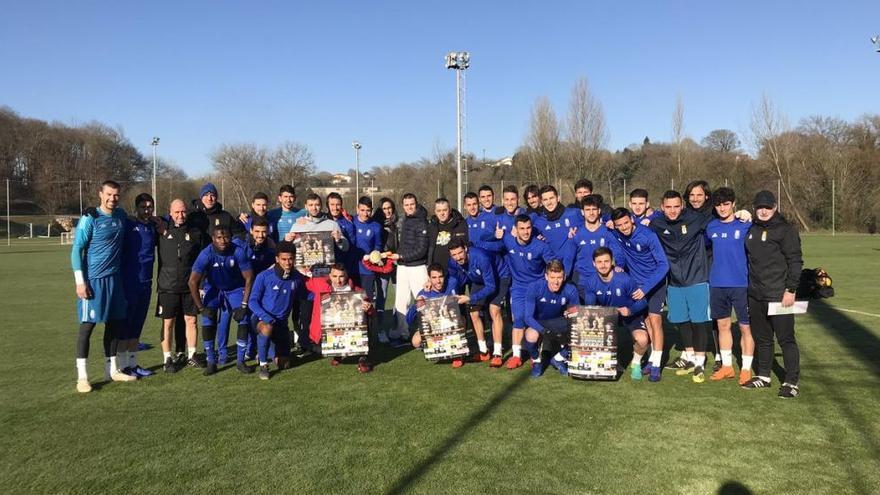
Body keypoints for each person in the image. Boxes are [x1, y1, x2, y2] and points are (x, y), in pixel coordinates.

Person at [71, 180, 136, 392]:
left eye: (116, 195)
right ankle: (82, 377)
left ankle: (112, 370)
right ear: (101, 194)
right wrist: (81, 282)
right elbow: (76, 250)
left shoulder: (120, 216)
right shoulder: (90, 217)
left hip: (114, 280)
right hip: (93, 281)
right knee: (87, 327)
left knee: (115, 324)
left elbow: (136, 223)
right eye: (108, 194)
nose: (112, 198)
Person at [648, 190, 716, 383]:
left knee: (698, 321)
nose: (672, 211)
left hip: (697, 278)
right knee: (681, 321)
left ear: (682, 206)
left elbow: (720, 218)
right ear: (662, 207)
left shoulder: (696, 219)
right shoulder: (656, 223)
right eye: (668, 207)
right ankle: (689, 355)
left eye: (676, 206)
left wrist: (741, 214)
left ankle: (700, 362)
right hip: (674, 281)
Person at [743, 191, 803, 398]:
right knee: (763, 338)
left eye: (767, 207)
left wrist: (791, 290)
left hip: (779, 295)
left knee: (786, 339)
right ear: (754, 208)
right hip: (756, 293)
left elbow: (795, 261)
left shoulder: (785, 230)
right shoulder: (751, 229)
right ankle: (764, 376)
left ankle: (791, 382)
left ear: (775, 207)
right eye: (760, 207)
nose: (764, 211)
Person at [490, 214, 558, 369]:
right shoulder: (507, 240)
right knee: (519, 318)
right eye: (522, 228)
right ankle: (515, 356)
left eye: (528, 228)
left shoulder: (541, 246)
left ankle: (536, 355)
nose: (526, 232)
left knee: (534, 319)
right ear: (515, 229)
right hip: (518, 287)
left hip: (537, 287)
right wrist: (495, 236)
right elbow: (488, 244)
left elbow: (554, 265)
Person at [610, 207, 668, 382]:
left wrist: (646, 287)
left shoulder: (648, 236)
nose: (624, 227)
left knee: (655, 320)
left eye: (626, 223)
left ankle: (656, 364)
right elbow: (602, 217)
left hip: (655, 284)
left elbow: (664, 265)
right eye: (619, 225)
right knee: (648, 322)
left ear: (632, 220)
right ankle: (651, 359)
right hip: (636, 286)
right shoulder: (616, 233)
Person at [189, 227, 255, 376]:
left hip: (235, 289)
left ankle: (240, 361)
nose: (223, 241)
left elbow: (249, 277)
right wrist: (200, 308)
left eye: (226, 237)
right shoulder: (206, 254)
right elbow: (192, 282)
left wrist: (244, 305)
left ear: (231, 237)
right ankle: (212, 362)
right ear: (213, 238)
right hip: (214, 288)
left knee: (243, 318)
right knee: (207, 319)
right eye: (219, 237)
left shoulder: (238, 251)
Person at [706, 187, 754, 384]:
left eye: (726, 204)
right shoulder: (711, 228)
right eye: (718, 204)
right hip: (717, 284)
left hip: (741, 285)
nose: (722, 208)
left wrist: (748, 215)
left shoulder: (745, 225)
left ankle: (746, 369)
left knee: (745, 328)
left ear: (734, 204)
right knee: (723, 325)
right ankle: (727, 367)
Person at [582, 247, 649, 380]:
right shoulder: (591, 282)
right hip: (608, 316)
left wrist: (630, 310)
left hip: (629, 315)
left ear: (612, 262)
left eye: (606, 261)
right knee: (592, 331)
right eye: (599, 262)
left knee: (642, 340)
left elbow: (643, 302)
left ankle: (635, 363)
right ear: (594, 263)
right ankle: (610, 361)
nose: (603, 265)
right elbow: (590, 307)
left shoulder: (624, 279)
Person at [156, 199, 205, 373]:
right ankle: (167, 358)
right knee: (168, 323)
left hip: (189, 286)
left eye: (183, 211)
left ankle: (192, 354)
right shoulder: (161, 230)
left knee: (191, 320)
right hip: (167, 286)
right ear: (170, 213)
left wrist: (201, 284)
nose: (180, 215)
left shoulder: (195, 233)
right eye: (176, 212)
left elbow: (201, 261)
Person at [304, 263, 375, 373]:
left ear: (346, 276)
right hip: (325, 331)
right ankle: (338, 353)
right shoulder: (320, 284)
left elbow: (373, 313)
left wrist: (369, 308)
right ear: (329, 276)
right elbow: (303, 280)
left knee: (367, 318)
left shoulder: (358, 291)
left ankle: (362, 357)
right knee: (317, 349)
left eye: (341, 276)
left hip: (350, 329)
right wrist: (306, 270)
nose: (338, 280)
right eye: (335, 276)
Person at [119, 192, 160, 377]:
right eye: (143, 207)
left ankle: (133, 364)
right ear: (136, 208)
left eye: (149, 207)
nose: (146, 210)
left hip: (146, 283)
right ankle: (121, 366)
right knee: (126, 325)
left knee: (137, 325)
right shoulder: (129, 224)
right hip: (129, 282)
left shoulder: (154, 225)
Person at [446, 238, 505, 365]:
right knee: (473, 313)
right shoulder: (452, 261)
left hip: (500, 277)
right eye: (454, 255)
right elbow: (453, 280)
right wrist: (449, 297)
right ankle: (483, 351)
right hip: (479, 280)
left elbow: (491, 286)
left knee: (494, 310)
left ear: (466, 249)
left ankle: (498, 353)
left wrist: (470, 298)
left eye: (460, 253)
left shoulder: (481, 258)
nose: (458, 257)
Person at [248, 241, 302, 380]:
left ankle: (267, 349)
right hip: (261, 319)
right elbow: (252, 301)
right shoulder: (264, 276)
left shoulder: (297, 277)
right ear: (277, 259)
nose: (288, 262)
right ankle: (263, 364)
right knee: (267, 328)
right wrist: (264, 316)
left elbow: (306, 294)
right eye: (284, 259)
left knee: (284, 365)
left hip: (281, 324)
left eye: (291, 259)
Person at [523, 260, 580, 378]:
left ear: (564, 276)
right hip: (538, 323)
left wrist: (570, 312)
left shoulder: (571, 289)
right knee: (531, 335)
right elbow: (528, 317)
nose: (556, 281)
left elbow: (576, 314)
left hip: (557, 322)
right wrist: (544, 331)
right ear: (546, 276)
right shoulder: (535, 287)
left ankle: (559, 358)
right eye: (553, 277)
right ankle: (536, 360)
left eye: (559, 277)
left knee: (579, 329)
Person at [389, 193, 429, 345]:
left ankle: (426, 333)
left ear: (416, 204)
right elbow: (403, 245)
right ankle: (404, 333)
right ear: (403, 206)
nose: (409, 207)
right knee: (401, 302)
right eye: (406, 205)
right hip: (403, 267)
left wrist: (400, 256)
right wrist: (397, 255)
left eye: (412, 204)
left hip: (417, 267)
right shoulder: (404, 220)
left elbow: (421, 249)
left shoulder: (422, 221)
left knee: (422, 301)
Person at [567, 195, 625, 298]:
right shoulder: (576, 233)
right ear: (582, 212)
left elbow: (618, 253)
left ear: (599, 211)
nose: (591, 213)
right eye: (588, 209)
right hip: (583, 281)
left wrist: (619, 266)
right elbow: (569, 258)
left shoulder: (608, 232)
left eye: (594, 209)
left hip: (604, 280)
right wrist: (564, 275)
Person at [406, 263, 463, 367]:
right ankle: (433, 348)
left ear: (444, 276)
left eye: (440, 277)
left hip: (450, 322)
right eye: (434, 277)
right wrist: (417, 304)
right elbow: (409, 319)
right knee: (416, 341)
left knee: (461, 320)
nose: (438, 281)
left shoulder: (452, 283)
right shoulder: (424, 293)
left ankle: (457, 354)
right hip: (433, 326)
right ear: (429, 278)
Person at [533, 185, 581, 260]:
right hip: (553, 267)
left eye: (551, 198)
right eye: (545, 200)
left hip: (574, 265)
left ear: (558, 198)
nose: (549, 202)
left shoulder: (574, 213)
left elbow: (594, 218)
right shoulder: (539, 222)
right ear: (541, 202)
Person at [426, 197, 467, 270]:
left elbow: (466, 246)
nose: (442, 213)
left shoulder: (460, 224)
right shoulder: (431, 226)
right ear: (435, 212)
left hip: (456, 270)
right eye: (439, 211)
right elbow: (429, 249)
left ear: (450, 210)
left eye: (445, 210)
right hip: (437, 271)